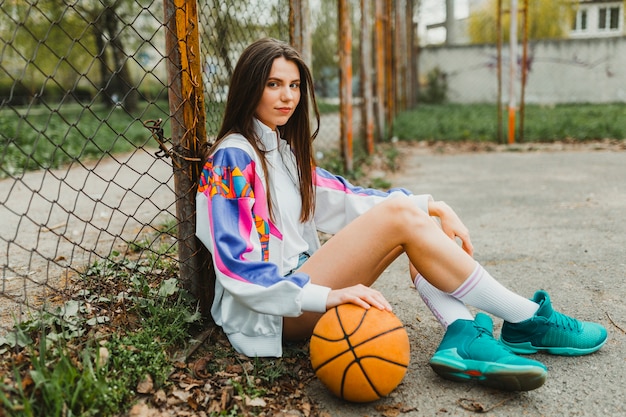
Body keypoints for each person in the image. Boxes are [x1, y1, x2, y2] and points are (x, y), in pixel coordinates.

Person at [195, 38, 607, 391]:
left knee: (412, 220)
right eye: (273, 85)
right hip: (272, 312)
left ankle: (462, 333)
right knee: (400, 216)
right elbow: (237, 269)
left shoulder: (280, 152)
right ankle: (525, 320)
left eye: (294, 86)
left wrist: (432, 205)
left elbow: (347, 198)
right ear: (250, 88)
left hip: (298, 290)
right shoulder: (233, 158)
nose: (287, 96)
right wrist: (327, 295)